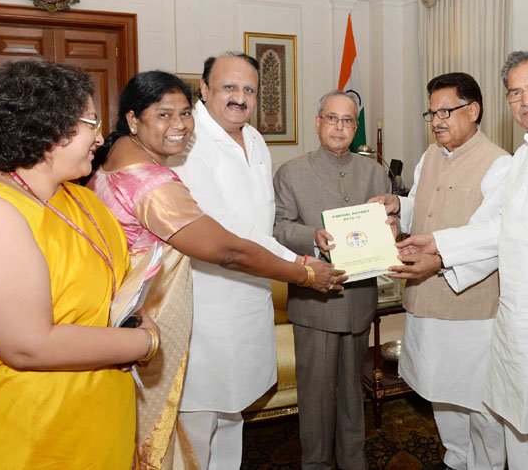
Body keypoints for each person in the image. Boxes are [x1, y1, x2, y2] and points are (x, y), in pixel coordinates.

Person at [88, 71, 343, 469]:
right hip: (161, 318)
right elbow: (227, 249)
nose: (179, 125)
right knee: (188, 434)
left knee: (223, 417)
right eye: (164, 114)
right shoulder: (151, 182)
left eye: (184, 113)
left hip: (151, 314)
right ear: (134, 119)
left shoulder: (121, 153)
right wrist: (304, 273)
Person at [394, 53, 528, 469]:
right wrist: (438, 243)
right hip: (515, 329)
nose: (525, 100)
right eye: (515, 92)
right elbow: (499, 228)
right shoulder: (525, 154)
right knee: (521, 436)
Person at [0, 60, 159, 468]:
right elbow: (27, 345)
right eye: (91, 123)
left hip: (96, 423)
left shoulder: (81, 200)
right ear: (46, 128)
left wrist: (136, 318)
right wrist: (145, 343)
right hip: (22, 435)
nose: (100, 137)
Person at [168, 52, 310, 470]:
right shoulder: (187, 143)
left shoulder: (255, 139)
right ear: (205, 89)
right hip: (206, 301)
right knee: (198, 419)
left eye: (249, 89)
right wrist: (299, 265)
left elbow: (262, 219)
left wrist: (292, 257)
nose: (240, 97)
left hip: (251, 293)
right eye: (229, 87)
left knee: (234, 413)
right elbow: (226, 229)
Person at [371, 72, 511, 470]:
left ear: (473, 110)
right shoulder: (430, 156)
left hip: (471, 306)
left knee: (478, 402)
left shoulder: (500, 164)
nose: (437, 121)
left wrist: (440, 257)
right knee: (440, 392)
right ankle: (456, 458)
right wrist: (398, 206)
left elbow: (493, 234)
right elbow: (423, 205)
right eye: (431, 113)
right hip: (425, 298)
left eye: (446, 111)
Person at [272, 90, 391, 469]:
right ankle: (317, 464)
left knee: (353, 393)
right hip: (315, 303)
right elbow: (278, 227)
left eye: (348, 121)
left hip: (359, 301)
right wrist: (312, 236)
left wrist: (391, 227)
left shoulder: (376, 173)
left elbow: (389, 223)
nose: (339, 127)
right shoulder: (291, 172)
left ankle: (354, 461)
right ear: (318, 122)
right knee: (317, 397)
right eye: (332, 118)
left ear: (355, 127)